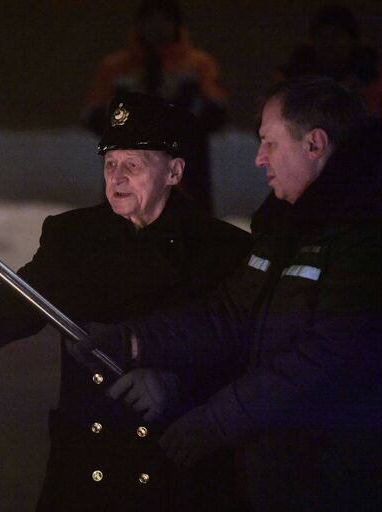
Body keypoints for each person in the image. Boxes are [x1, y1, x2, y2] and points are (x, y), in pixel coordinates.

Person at [0, 93, 251, 510]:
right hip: (89, 469)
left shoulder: (223, 250)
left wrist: (176, 385)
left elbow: (245, 354)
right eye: (110, 164)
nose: (117, 178)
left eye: (133, 165)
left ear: (173, 172)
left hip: (175, 472)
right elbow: (15, 310)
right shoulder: (75, 238)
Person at [76, 76, 382, 510]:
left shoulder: (365, 233)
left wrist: (215, 421)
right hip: (279, 477)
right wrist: (132, 340)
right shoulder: (285, 227)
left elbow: (326, 360)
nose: (259, 159)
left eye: (269, 143)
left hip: (340, 479)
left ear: (314, 144)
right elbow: (227, 316)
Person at [81, 0, 227, 214]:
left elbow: (217, 112)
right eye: (150, 20)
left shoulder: (197, 66)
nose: (157, 27)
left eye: (164, 20)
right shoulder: (116, 68)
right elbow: (92, 113)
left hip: (186, 171)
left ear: (176, 24)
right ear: (139, 25)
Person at [278, 4, 382, 119]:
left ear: (352, 40)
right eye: (322, 37)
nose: (328, 44)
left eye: (335, 36)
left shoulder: (370, 77)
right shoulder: (293, 77)